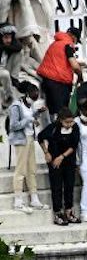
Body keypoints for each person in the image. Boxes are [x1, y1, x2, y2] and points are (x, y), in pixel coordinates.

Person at [9, 80, 47, 213]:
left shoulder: (29, 106)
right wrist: (29, 120)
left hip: (30, 138)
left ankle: (34, 198)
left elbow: (30, 117)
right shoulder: (16, 106)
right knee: (20, 170)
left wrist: (37, 113)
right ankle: (18, 200)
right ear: (26, 94)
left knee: (32, 168)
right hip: (21, 140)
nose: (35, 98)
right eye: (33, 96)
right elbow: (13, 126)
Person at [39, 108, 80, 225]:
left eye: (71, 122)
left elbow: (74, 145)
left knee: (69, 186)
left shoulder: (75, 128)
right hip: (54, 162)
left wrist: (61, 157)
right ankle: (58, 213)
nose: (69, 125)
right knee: (56, 187)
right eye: (67, 122)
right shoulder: (53, 128)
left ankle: (69, 211)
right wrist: (46, 152)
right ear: (61, 120)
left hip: (68, 160)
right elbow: (40, 137)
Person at [36, 26, 82, 115]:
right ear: (73, 37)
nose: (75, 44)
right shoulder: (68, 45)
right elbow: (75, 66)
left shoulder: (55, 44)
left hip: (47, 80)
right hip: (58, 84)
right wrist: (80, 76)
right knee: (61, 113)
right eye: (76, 41)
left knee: (52, 112)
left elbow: (60, 60)